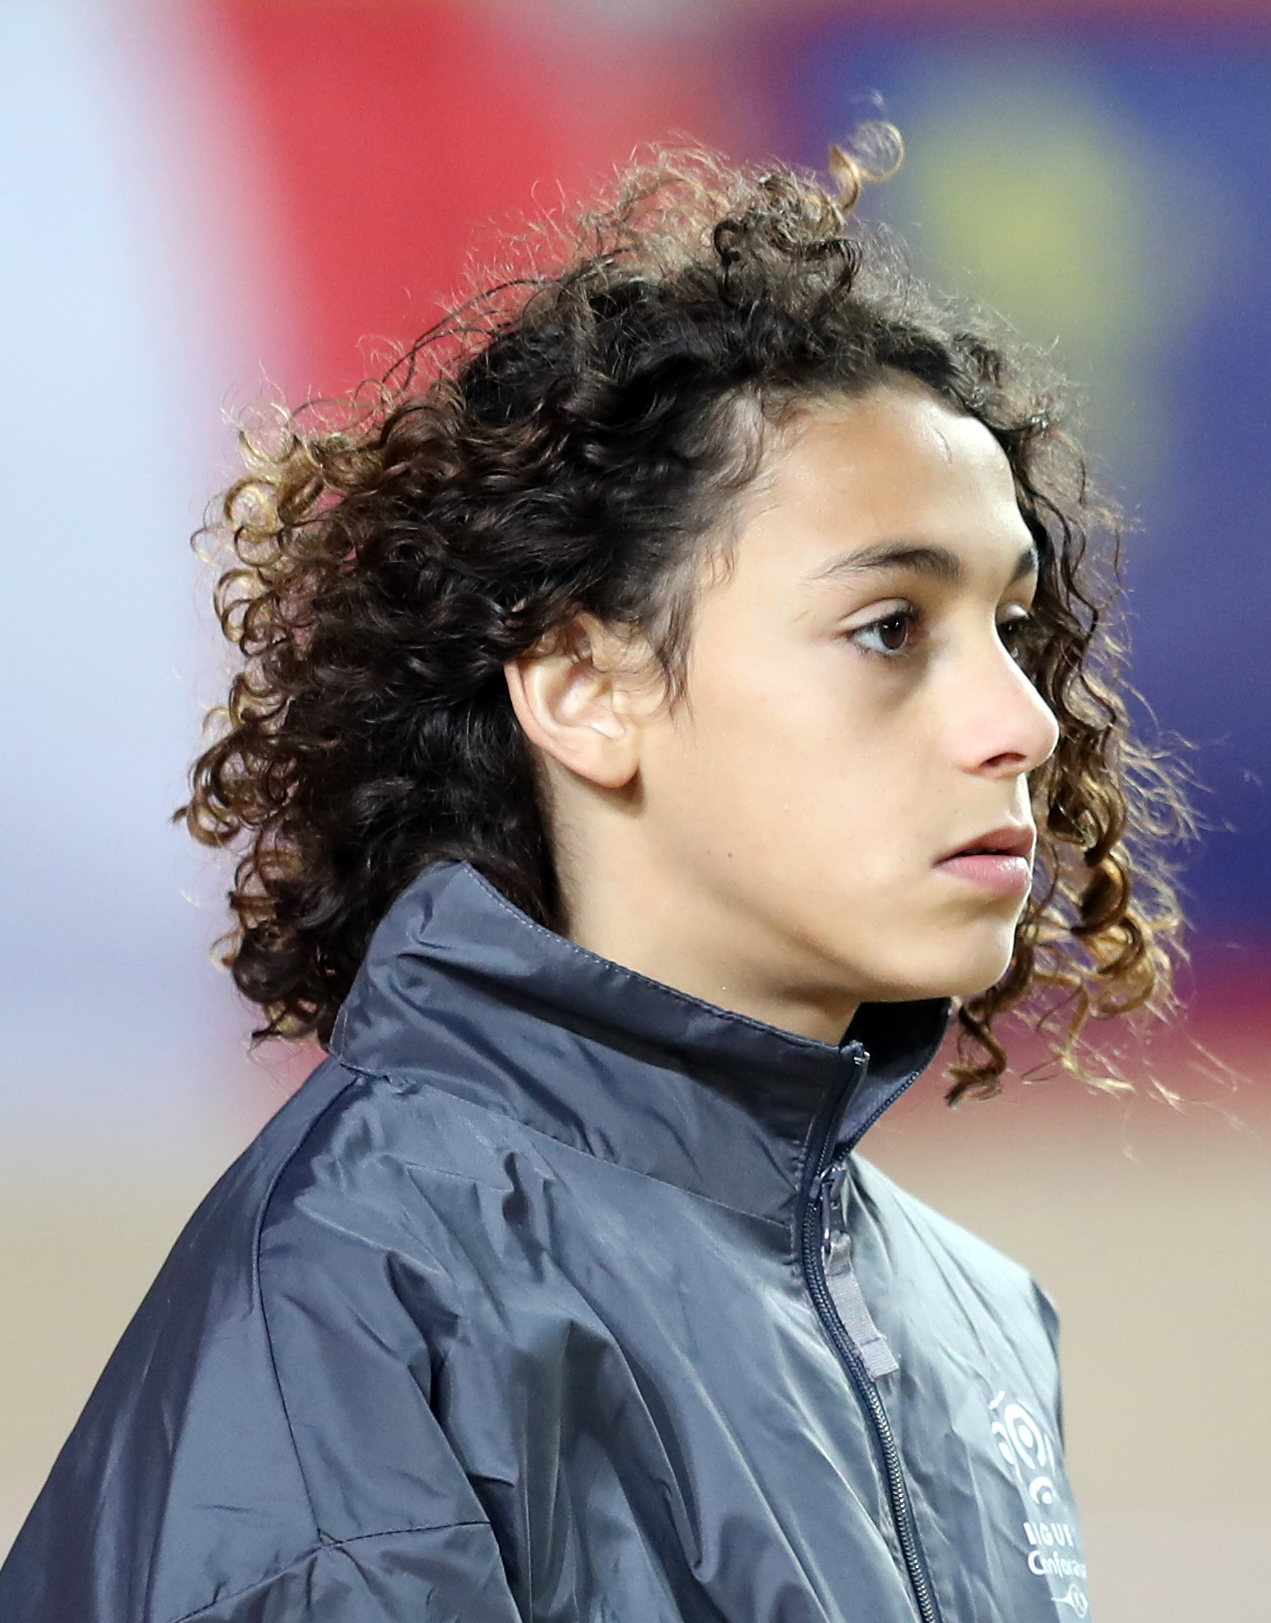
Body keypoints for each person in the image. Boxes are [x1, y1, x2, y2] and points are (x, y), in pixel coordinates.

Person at [0, 135, 1184, 1623]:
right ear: (582, 690)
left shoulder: (977, 1323)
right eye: (890, 626)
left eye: (1012, 625)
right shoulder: (369, 1290)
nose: (1020, 719)